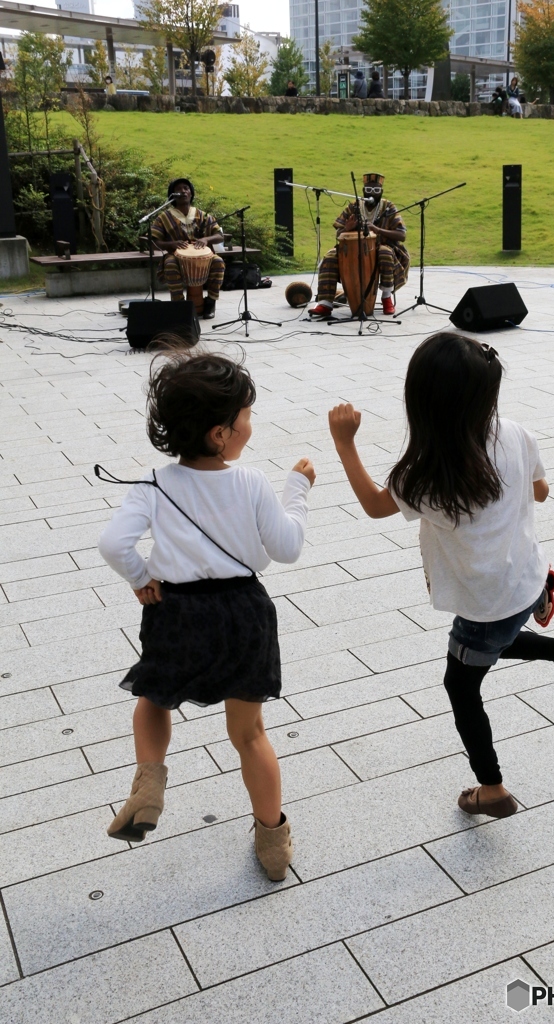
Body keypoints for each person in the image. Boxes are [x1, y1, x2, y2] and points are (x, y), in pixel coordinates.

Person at [328, 333, 554, 819]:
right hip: (525, 580)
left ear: (423, 402)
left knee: (461, 686)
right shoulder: (517, 433)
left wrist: (344, 443)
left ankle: (492, 788)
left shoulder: (427, 474)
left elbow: (376, 506)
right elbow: (541, 492)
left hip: (485, 601)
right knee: (496, 639)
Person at [98, 351, 315, 880]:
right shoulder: (251, 482)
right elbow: (287, 548)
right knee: (249, 733)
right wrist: (299, 490)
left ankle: (149, 783)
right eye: (246, 415)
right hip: (244, 613)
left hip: (177, 612)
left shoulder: (152, 484)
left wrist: (140, 576)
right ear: (221, 434)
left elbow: (112, 542)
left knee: (153, 697)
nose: (250, 424)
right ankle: (273, 844)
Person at [309, 172, 410, 318]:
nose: (372, 194)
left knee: (385, 253)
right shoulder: (354, 207)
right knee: (330, 256)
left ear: (381, 191)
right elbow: (339, 235)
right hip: (353, 250)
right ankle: (325, 303)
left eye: (376, 191)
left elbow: (402, 235)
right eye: (369, 190)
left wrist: (378, 230)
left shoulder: (388, 207)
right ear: (363, 191)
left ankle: (386, 297)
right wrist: (347, 228)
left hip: (383, 247)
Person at [151, 178, 225, 320]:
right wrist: (171, 244)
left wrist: (206, 239)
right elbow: (155, 240)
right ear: (172, 195)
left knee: (218, 262)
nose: (183, 191)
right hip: (176, 256)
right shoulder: (163, 218)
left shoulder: (203, 215)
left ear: (191, 193)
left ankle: (211, 302)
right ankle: (179, 305)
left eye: (186, 188)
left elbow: (219, 236)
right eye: (178, 189)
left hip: (204, 256)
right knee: (170, 264)